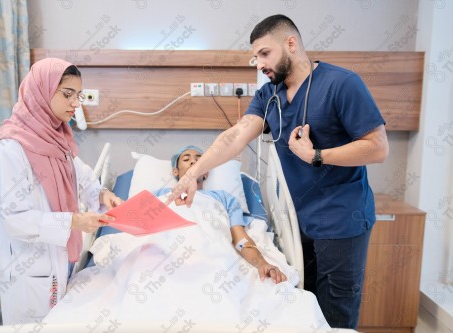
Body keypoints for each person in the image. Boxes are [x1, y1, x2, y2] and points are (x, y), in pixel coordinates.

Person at [167, 15, 389, 329]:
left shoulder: (342, 84)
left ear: (291, 44)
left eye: (265, 54)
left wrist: (316, 155)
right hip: (302, 220)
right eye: (255, 56)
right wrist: (192, 174)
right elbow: (236, 135)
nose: (258, 63)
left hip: (343, 219)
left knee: (335, 316)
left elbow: (378, 147)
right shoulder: (270, 95)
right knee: (306, 308)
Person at [0, 58, 122, 324]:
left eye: (79, 95)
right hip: (29, 271)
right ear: (41, 91)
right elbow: (15, 218)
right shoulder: (10, 149)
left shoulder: (57, 140)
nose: (76, 103)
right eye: (67, 94)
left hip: (59, 262)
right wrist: (73, 221)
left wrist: (103, 195)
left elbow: (82, 178)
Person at [155, 145, 287, 284]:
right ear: (175, 172)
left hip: (211, 252)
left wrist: (262, 263)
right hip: (166, 254)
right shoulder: (160, 195)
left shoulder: (224, 198)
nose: (193, 162)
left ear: (205, 172)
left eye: (199, 160)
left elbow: (240, 240)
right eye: (186, 159)